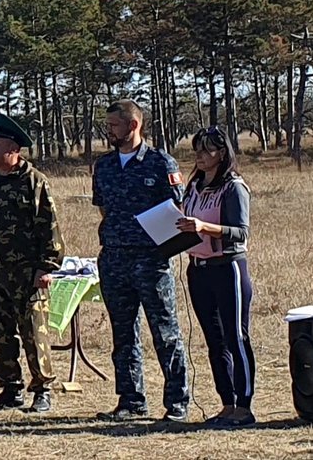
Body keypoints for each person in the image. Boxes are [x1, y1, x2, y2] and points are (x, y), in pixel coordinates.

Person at [92, 99, 191, 422]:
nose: (109, 132)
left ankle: (177, 401)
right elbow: (104, 210)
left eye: (114, 126)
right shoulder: (104, 166)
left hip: (151, 261)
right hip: (115, 260)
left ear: (133, 125)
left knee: (165, 332)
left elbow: (177, 212)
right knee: (123, 335)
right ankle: (131, 400)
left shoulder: (160, 163)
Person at [0, 113, 64, 413]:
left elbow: (49, 227)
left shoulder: (34, 181)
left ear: (14, 148)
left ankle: (42, 389)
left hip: (27, 274)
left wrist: (46, 267)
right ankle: (10, 388)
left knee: (34, 334)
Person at [177, 126, 256, 428]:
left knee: (236, 337)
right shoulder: (194, 187)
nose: (199, 156)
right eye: (196, 149)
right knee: (214, 341)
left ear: (222, 154)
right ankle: (227, 403)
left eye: (207, 150)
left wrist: (204, 227)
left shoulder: (234, 187)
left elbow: (240, 232)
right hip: (198, 270)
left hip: (228, 268)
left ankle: (245, 407)